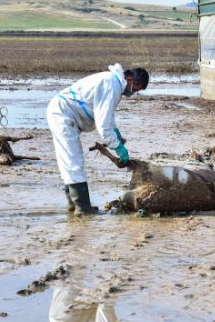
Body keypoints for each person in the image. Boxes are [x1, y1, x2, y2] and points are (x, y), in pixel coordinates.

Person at [46, 64, 149, 215]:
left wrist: (117, 134)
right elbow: (103, 125)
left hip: (60, 111)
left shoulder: (112, 82)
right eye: (135, 87)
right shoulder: (112, 84)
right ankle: (83, 208)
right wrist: (118, 147)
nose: (133, 92)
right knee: (74, 161)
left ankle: (74, 205)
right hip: (64, 114)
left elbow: (107, 117)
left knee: (68, 161)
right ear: (129, 78)